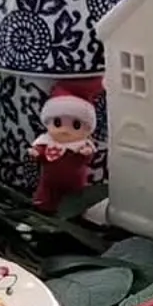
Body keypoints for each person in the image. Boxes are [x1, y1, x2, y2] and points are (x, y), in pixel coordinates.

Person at [29, 79, 101, 210]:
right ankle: (43, 207)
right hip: (49, 179)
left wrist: (84, 155)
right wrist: (37, 153)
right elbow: (41, 154)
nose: (64, 130)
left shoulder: (80, 145)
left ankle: (75, 211)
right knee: (45, 193)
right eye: (57, 123)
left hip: (74, 181)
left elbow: (83, 161)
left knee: (76, 196)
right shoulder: (46, 141)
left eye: (76, 125)